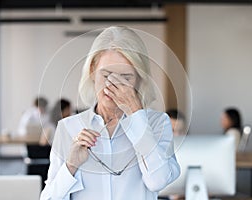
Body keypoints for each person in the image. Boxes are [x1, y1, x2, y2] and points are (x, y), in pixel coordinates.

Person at [40, 26, 180, 200]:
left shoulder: (158, 123)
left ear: (139, 79)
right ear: (92, 72)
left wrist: (137, 116)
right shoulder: (68, 127)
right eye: (106, 75)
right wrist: (70, 166)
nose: (112, 86)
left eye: (126, 77)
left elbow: (158, 181)